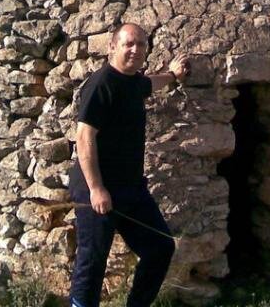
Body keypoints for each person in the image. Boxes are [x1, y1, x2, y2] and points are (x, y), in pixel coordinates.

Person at [69, 23, 189, 307]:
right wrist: (97, 188)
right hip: (96, 188)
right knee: (93, 259)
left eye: (141, 45)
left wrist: (173, 75)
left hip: (131, 188)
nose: (136, 50)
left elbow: (151, 83)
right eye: (128, 44)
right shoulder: (101, 84)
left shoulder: (135, 82)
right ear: (112, 47)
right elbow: (84, 137)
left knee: (160, 247)